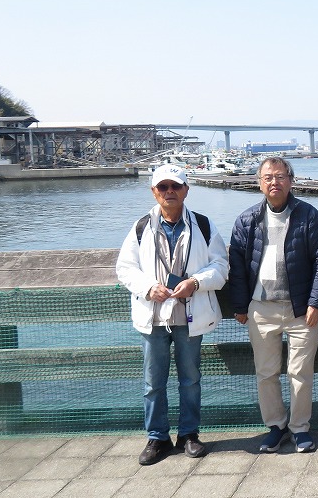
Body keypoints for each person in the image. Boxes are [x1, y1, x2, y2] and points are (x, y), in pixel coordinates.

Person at [116, 164, 228, 466]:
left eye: (175, 186)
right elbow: (125, 268)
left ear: (186, 190)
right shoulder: (141, 227)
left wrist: (196, 282)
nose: (169, 192)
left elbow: (221, 266)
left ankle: (189, 434)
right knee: (153, 382)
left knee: (191, 380)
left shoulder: (203, 225)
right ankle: (157, 437)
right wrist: (148, 288)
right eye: (163, 187)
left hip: (190, 315)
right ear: (154, 192)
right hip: (153, 316)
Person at [228, 157, 318, 454]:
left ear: (291, 180)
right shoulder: (247, 219)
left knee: (300, 373)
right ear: (259, 183)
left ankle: (300, 428)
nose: (274, 182)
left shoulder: (308, 215)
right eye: (268, 177)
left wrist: (316, 302)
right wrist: (240, 306)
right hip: (261, 308)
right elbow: (237, 266)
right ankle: (275, 426)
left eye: (280, 176)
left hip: (301, 309)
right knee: (266, 372)